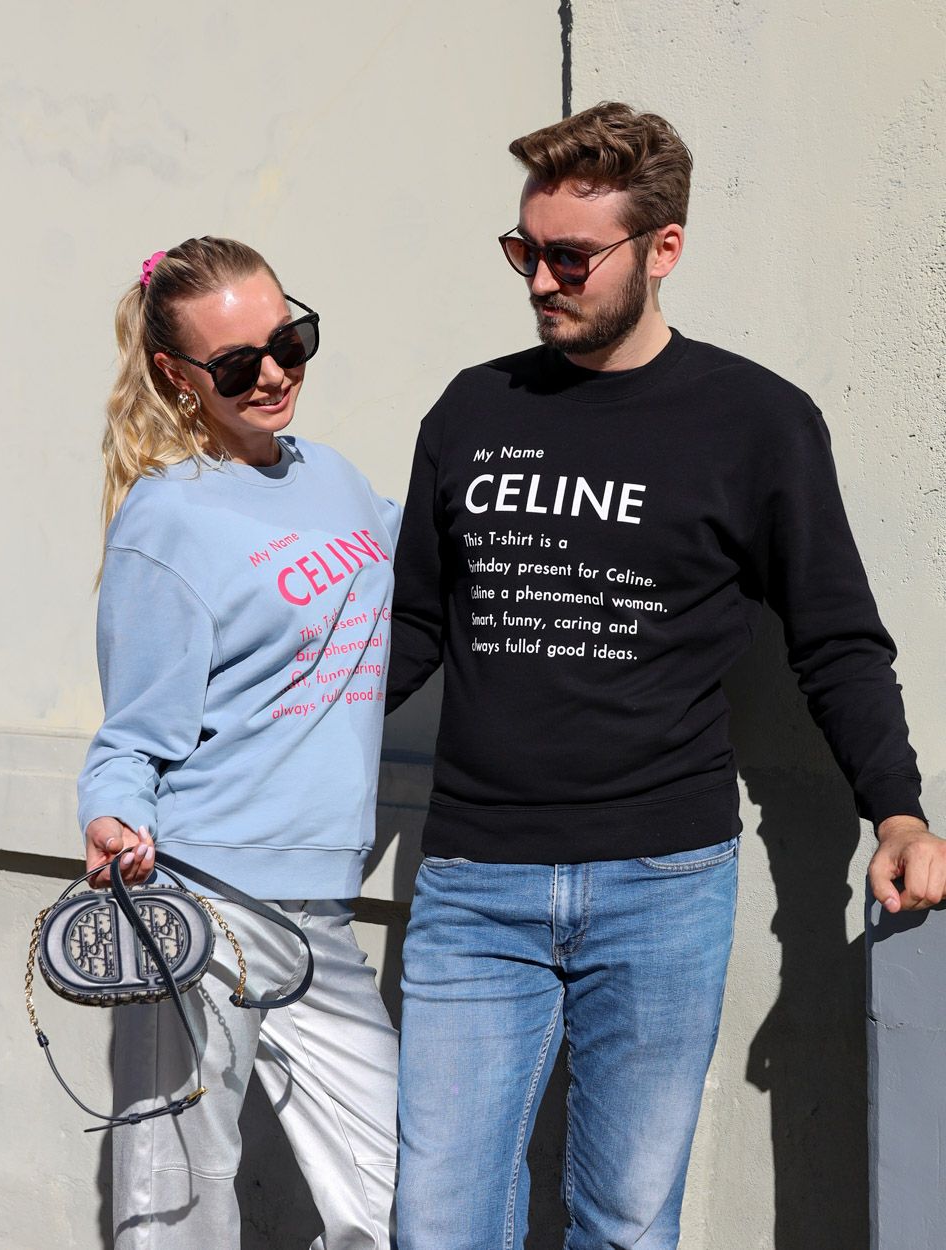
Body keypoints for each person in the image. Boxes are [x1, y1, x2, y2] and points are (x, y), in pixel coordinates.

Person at [386, 103, 946, 1250]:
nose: (540, 280)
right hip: (475, 879)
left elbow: (836, 638)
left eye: (570, 257)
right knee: (437, 1223)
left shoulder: (756, 421)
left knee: (626, 1225)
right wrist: (246, 739)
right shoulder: (472, 407)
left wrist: (895, 807)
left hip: (659, 880)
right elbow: (409, 626)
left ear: (663, 247)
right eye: (523, 250)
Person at [78, 236, 399, 1250]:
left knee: (399, 1190)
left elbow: (441, 557)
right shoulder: (166, 518)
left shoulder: (336, 479)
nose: (272, 374)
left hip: (318, 904)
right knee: (178, 1202)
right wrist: (110, 813)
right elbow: (134, 731)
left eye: (288, 343)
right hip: (204, 900)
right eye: (234, 364)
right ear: (177, 374)